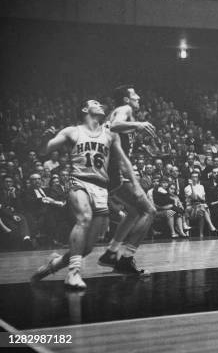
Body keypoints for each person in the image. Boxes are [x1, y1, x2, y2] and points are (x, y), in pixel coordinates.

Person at [31, 100, 142, 288]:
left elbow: (123, 162)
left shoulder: (110, 134)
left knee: (87, 248)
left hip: (101, 187)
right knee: (84, 218)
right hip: (79, 181)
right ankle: (73, 273)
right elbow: (44, 150)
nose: (101, 105)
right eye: (95, 103)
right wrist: (43, 139)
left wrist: (136, 184)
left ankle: (56, 264)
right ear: (84, 109)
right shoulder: (72, 131)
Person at [98, 85, 157, 275]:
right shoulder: (125, 109)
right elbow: (115, 125)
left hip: (108, 172)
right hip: (114, 171)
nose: (138, 97)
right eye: (134, 94)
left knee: (133, 212)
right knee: (149, 210)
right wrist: (138, 125)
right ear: (126, 99)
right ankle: (126, 257)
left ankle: (111, 252)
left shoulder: (118, 111)